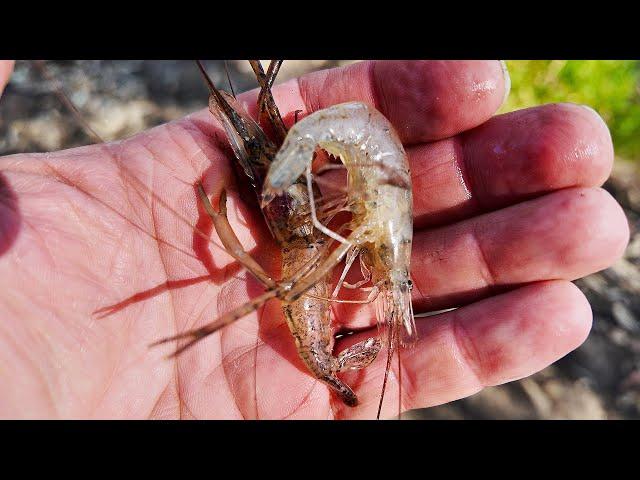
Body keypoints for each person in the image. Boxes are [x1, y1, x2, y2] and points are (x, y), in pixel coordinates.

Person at [0, 60, 629, 419]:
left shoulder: (338, 230)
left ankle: (329, 363)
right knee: (264, 142)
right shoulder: (318, 220)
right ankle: (327, 361)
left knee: (280, 177)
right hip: (314, 230)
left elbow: (320, 213)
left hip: (318, 233)